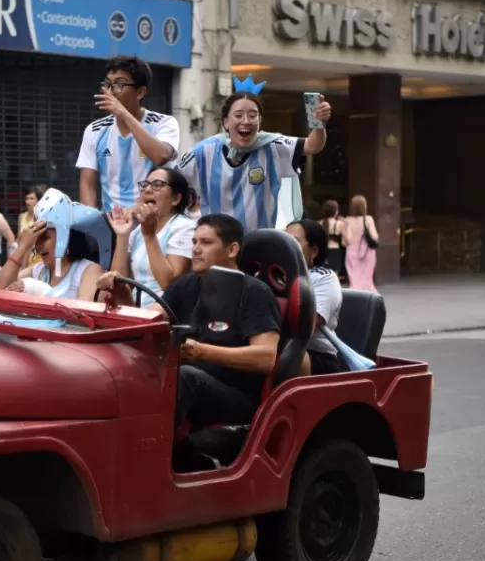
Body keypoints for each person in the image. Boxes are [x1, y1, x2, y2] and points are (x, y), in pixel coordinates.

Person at [97, 214, 282, 429]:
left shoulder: (254, 292)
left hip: (235, 395)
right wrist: (122, 293)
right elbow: (147, 322)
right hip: (186, 383)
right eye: (194, 242)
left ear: (232, 250)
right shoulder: (186, 284)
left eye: (206, 242)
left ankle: (152, 452)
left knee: (185, 377)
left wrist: (202, 352)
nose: (195, 249)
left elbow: (266, 357)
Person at [177, 87, 330, 233]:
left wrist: (317, 123)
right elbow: (175, 185)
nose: (246, 121)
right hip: (215, 246)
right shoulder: (203, 151)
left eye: (252, 115)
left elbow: (312, 146)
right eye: (238, 115)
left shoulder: (273, 146)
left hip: (258, 245)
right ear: (226, 122)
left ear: (260, 120)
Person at [76, 56, 180, 212]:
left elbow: (161, 156)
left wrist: (123, 114)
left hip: (153, 224)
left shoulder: (163, 123)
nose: (110, 91)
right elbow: (87, 185)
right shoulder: (95, 130)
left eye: (118, 85)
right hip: (112, 224)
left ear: (140, 92)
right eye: (107, 84)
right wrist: (91, 225)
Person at [106, 167, 195, 301]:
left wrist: (149, 236)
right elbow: (117, 282)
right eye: (145, 185)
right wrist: (122, 235)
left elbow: (169, 284)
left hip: (164, 311)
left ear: (175, 199)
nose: (147, 190)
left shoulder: (184, 227)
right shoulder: (137, 232)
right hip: (135, 307)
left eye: (157, 185)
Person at [286, 219, 346, 375]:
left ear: (313, 251)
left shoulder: (324, 278)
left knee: (289, 358)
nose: (285, 247)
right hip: (277, 346)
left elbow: (306, 327)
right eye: (283, 240)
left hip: (316, 356)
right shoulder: (276, 276)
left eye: (294, 241)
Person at [0, 221, 102, 302]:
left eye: (45, 237)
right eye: (36, 238)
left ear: (65, 239)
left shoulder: (88, 269)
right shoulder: (38, 269)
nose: (38, 244)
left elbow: (82, 315)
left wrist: (40, 290)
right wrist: (23, 246)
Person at [343, 195, 378, 292]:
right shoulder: (368, 219)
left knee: (354, 280)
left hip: (351, 252)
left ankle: (355, 298)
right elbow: (374, 237)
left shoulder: (347, 220)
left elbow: (345, 242)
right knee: (367, 280)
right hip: (367, 253)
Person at [20, 185, 47, 264]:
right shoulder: (22, 216)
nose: (27, 201)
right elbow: (18, 238)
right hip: (23, 255)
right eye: (26, 198)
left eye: (31, 198)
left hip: (37, 257)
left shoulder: (42, 218)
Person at [320, 199, 346, 280]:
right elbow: (347, 240)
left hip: (324, 251)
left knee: (324, 275)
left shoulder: (320, 223)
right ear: (336, 211)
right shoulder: (340, 224)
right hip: (335, 251)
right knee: (335, 277)